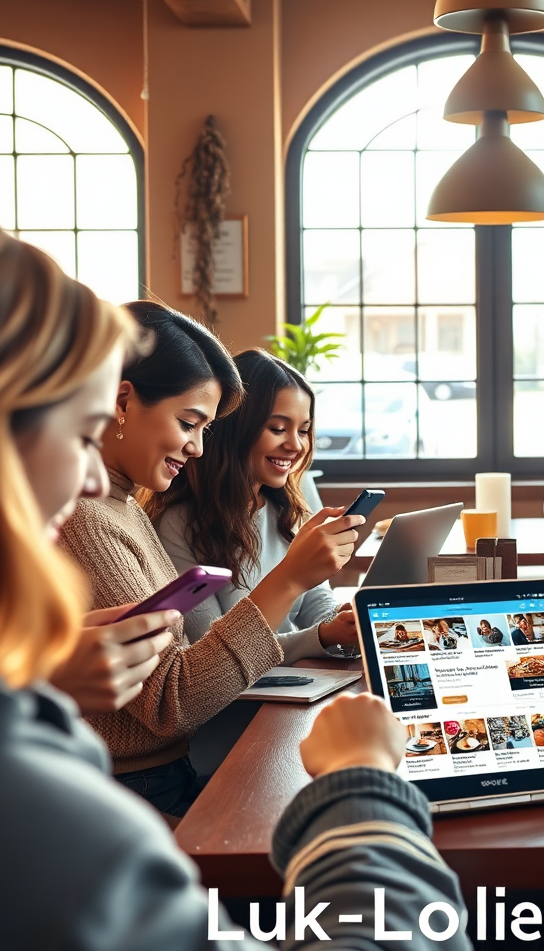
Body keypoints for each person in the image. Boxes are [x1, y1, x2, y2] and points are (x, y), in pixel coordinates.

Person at [0, 218, 475, 951]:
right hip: (167, 782)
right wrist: (360, 785)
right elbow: (176, 698)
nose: (83, 479)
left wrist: (27, 673)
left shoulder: (124, 518)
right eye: (77, 431)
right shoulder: (108, 524)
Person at [57, 301, 363, 817]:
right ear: (122, 402)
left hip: (162, 778)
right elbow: (174, 703)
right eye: (188, 422)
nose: (198, 447)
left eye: (206, 429)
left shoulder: (125, 507)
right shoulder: (92, 519)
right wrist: (288, 579)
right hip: (137, 791)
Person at [151, 348, 356, 661]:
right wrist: (321, 637)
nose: (296, 445)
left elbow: (316, 605)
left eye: (303, 430)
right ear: (233, 429)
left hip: (297, 679)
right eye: (277, 429)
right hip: (243, 698)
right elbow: (210, 654)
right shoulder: (178, 525)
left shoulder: (287, 511)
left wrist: (340, 621)